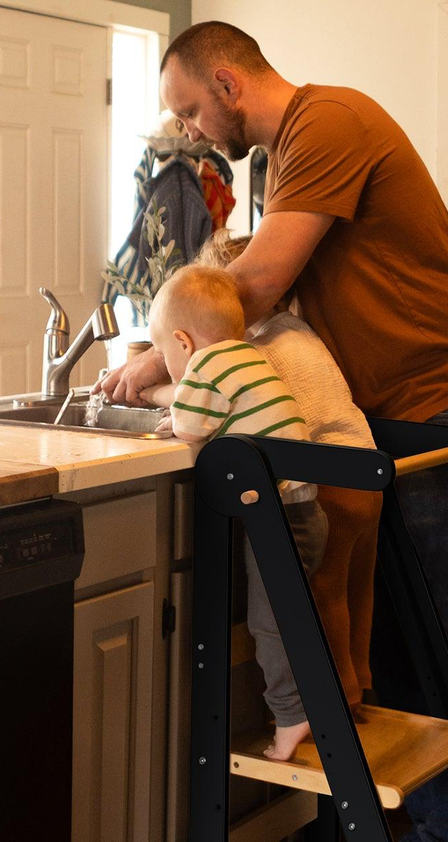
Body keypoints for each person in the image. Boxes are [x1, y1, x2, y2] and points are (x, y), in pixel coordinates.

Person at [98, 22, 448, 842]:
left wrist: (154, 361)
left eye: (190, 111)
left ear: (226, 80)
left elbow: (250, 289)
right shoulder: (287, 155)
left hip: (443, 396)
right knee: (410, 636)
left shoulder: (326, 123)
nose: (195, 133)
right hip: (391, 412)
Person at [141, 264, 327, 760]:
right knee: (297, 614)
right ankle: (311, 707)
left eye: (163, 354)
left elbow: (188, 425)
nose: (168, 363)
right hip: (307, 510)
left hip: (279, 515)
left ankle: (291, 715)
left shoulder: (206, 367)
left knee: (271, 623)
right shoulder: (248, 355)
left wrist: (159, 398)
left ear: (182, 342)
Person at [196, 229, 381, 727]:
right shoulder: (299, 331)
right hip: (367, 466)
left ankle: (337, 703)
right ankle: (358, 684)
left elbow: (213, 406)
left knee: (324, 594)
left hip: (332, 481)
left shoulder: (251, 351)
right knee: (356, 591)